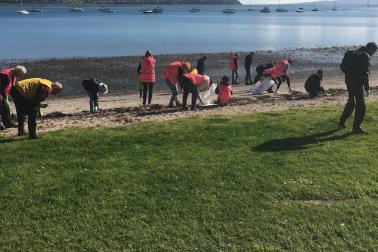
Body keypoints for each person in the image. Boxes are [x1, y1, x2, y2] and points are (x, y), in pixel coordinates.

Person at [339, 42, 377, 134]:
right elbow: (365, 74)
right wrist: (367, 89)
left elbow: (342, 67)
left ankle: (342, 122)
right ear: (371, 49)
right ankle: (356, 128)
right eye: (374, 51)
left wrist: (350, 73)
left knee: (351, 101)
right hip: (357, 83)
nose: (374, 54)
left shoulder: (352, 52)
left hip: (348, 81)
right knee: (361, 105)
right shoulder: (365, 56)